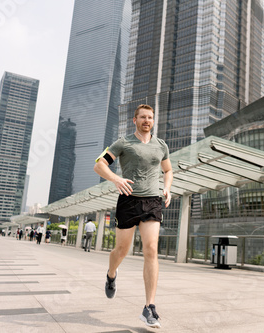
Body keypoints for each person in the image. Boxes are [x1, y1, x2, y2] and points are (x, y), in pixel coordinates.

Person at [93, 104, 173, 328]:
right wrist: (116, 179)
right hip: (128, 201)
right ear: (134, 120)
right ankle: (111, 274)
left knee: (151, 249)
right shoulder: (124, 142)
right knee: (121, 250)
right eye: (143, 117)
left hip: (152, 202)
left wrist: (167, 187)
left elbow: (168, 170)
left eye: (150, 117)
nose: (147, 120)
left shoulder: (161, 145)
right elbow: (99, 165)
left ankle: (149, 307)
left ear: (153, 121)